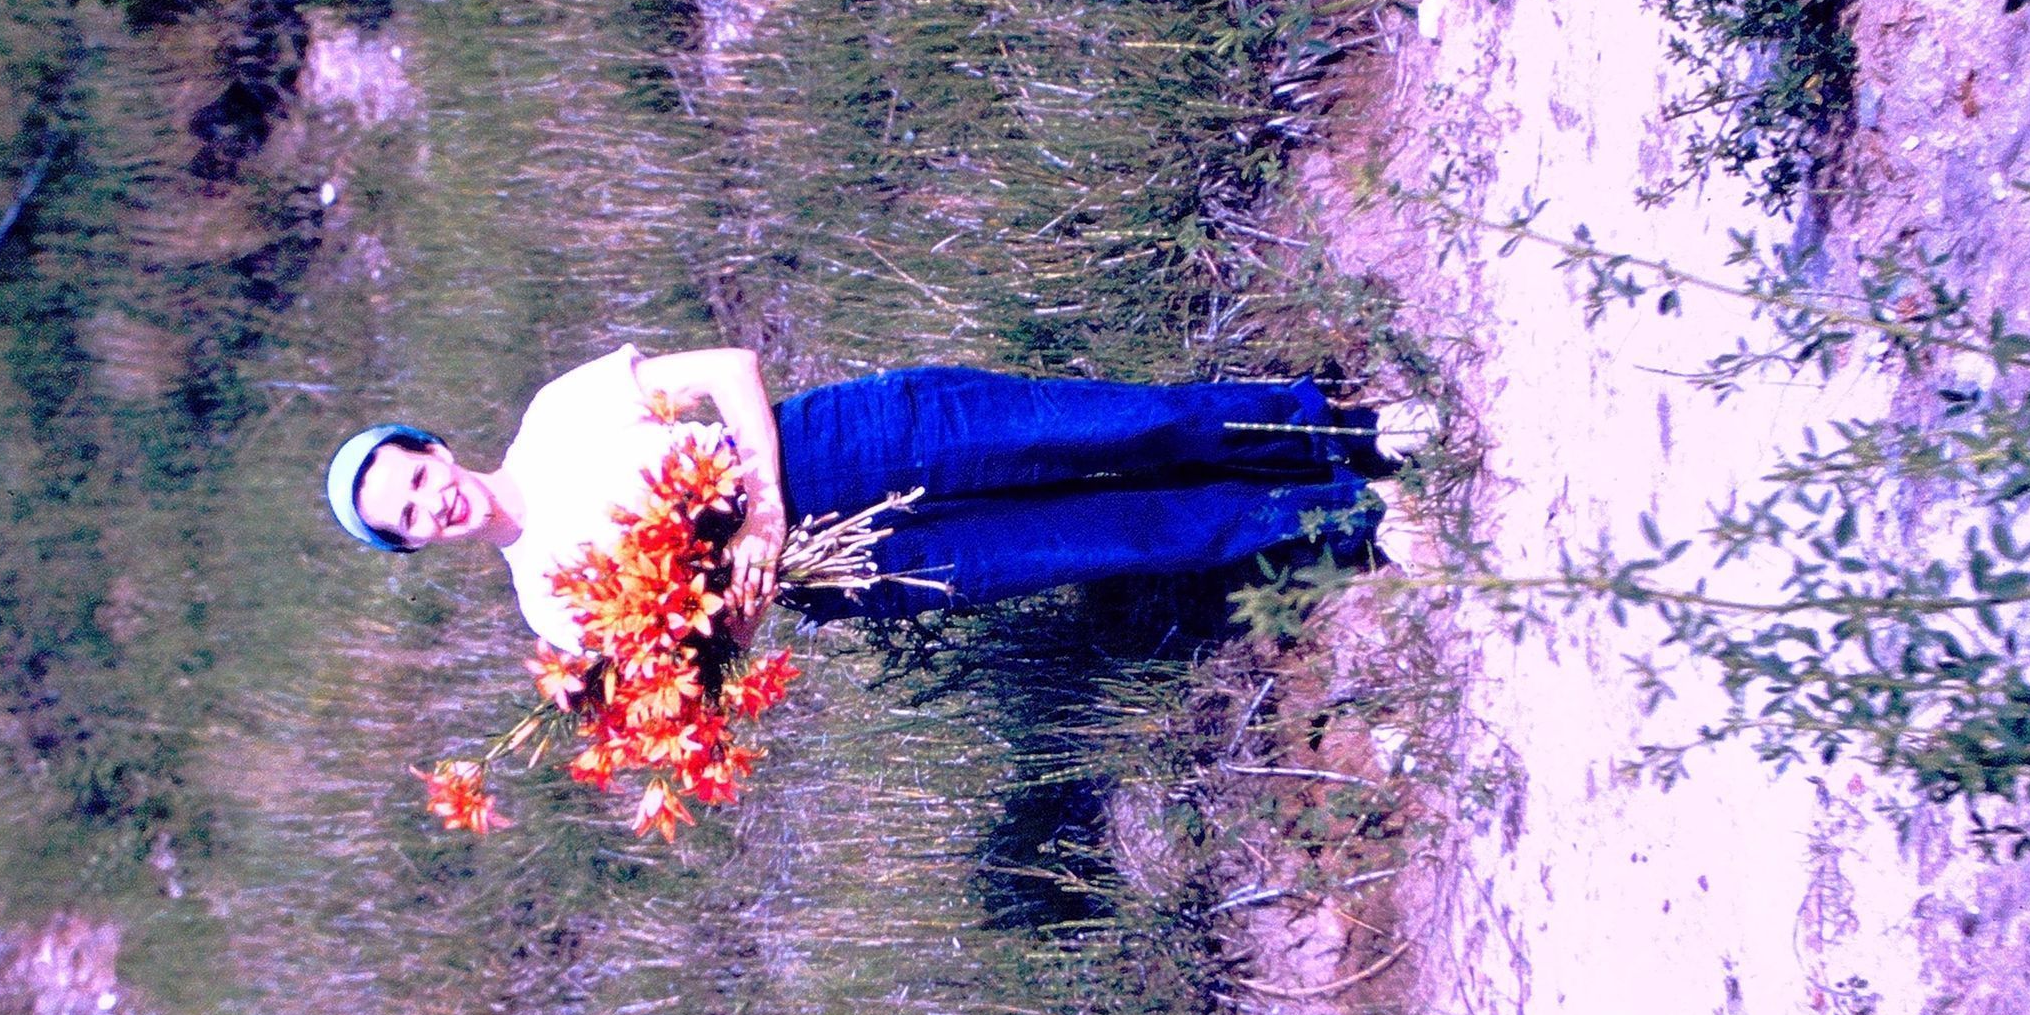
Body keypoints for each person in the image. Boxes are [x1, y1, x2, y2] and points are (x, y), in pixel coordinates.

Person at [322, 344, 1426, 656]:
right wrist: (744, 599)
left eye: (416, 478)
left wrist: (759, 503)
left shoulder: (559, 414)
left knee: (1116, 426)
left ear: (434, 447)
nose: (432, 504)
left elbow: (729, 369)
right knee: (1109, 538)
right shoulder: (552, 608)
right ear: (413, 550)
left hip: (838, 441)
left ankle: (1343, 433)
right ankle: (1350, 521)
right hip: (848, 570)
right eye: (405, 520)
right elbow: (706, 657)